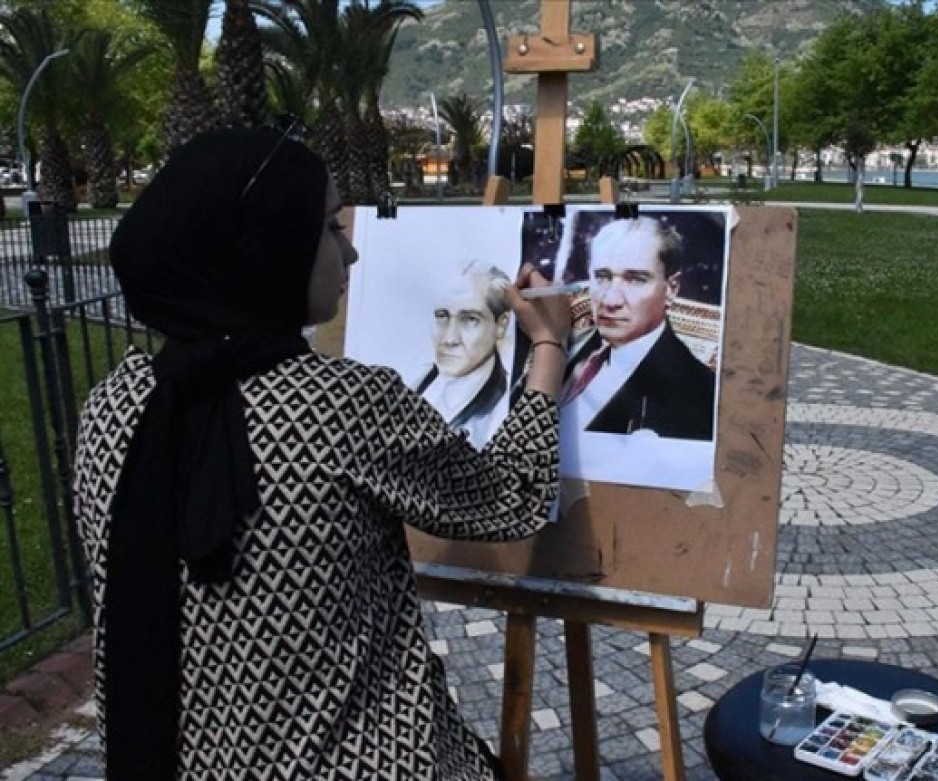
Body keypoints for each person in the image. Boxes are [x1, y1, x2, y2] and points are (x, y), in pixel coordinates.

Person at [76, 127, 570, 780]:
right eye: (331, 227)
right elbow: (515, 494)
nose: (351, 252)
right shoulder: (343, 405)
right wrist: (549, 346)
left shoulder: (113, 406)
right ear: (267, 245)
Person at [560, 216, 716, 440]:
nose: (610, 300)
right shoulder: (567, 345)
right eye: (602, 277)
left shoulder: (698, 396)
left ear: (671, 289)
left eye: (635, 279)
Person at [413, 262, 512, 445]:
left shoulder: (505, 410)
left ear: (501, 325)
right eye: (442, 316)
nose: (449, 339)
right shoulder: (415, 384)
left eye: (470, 320)